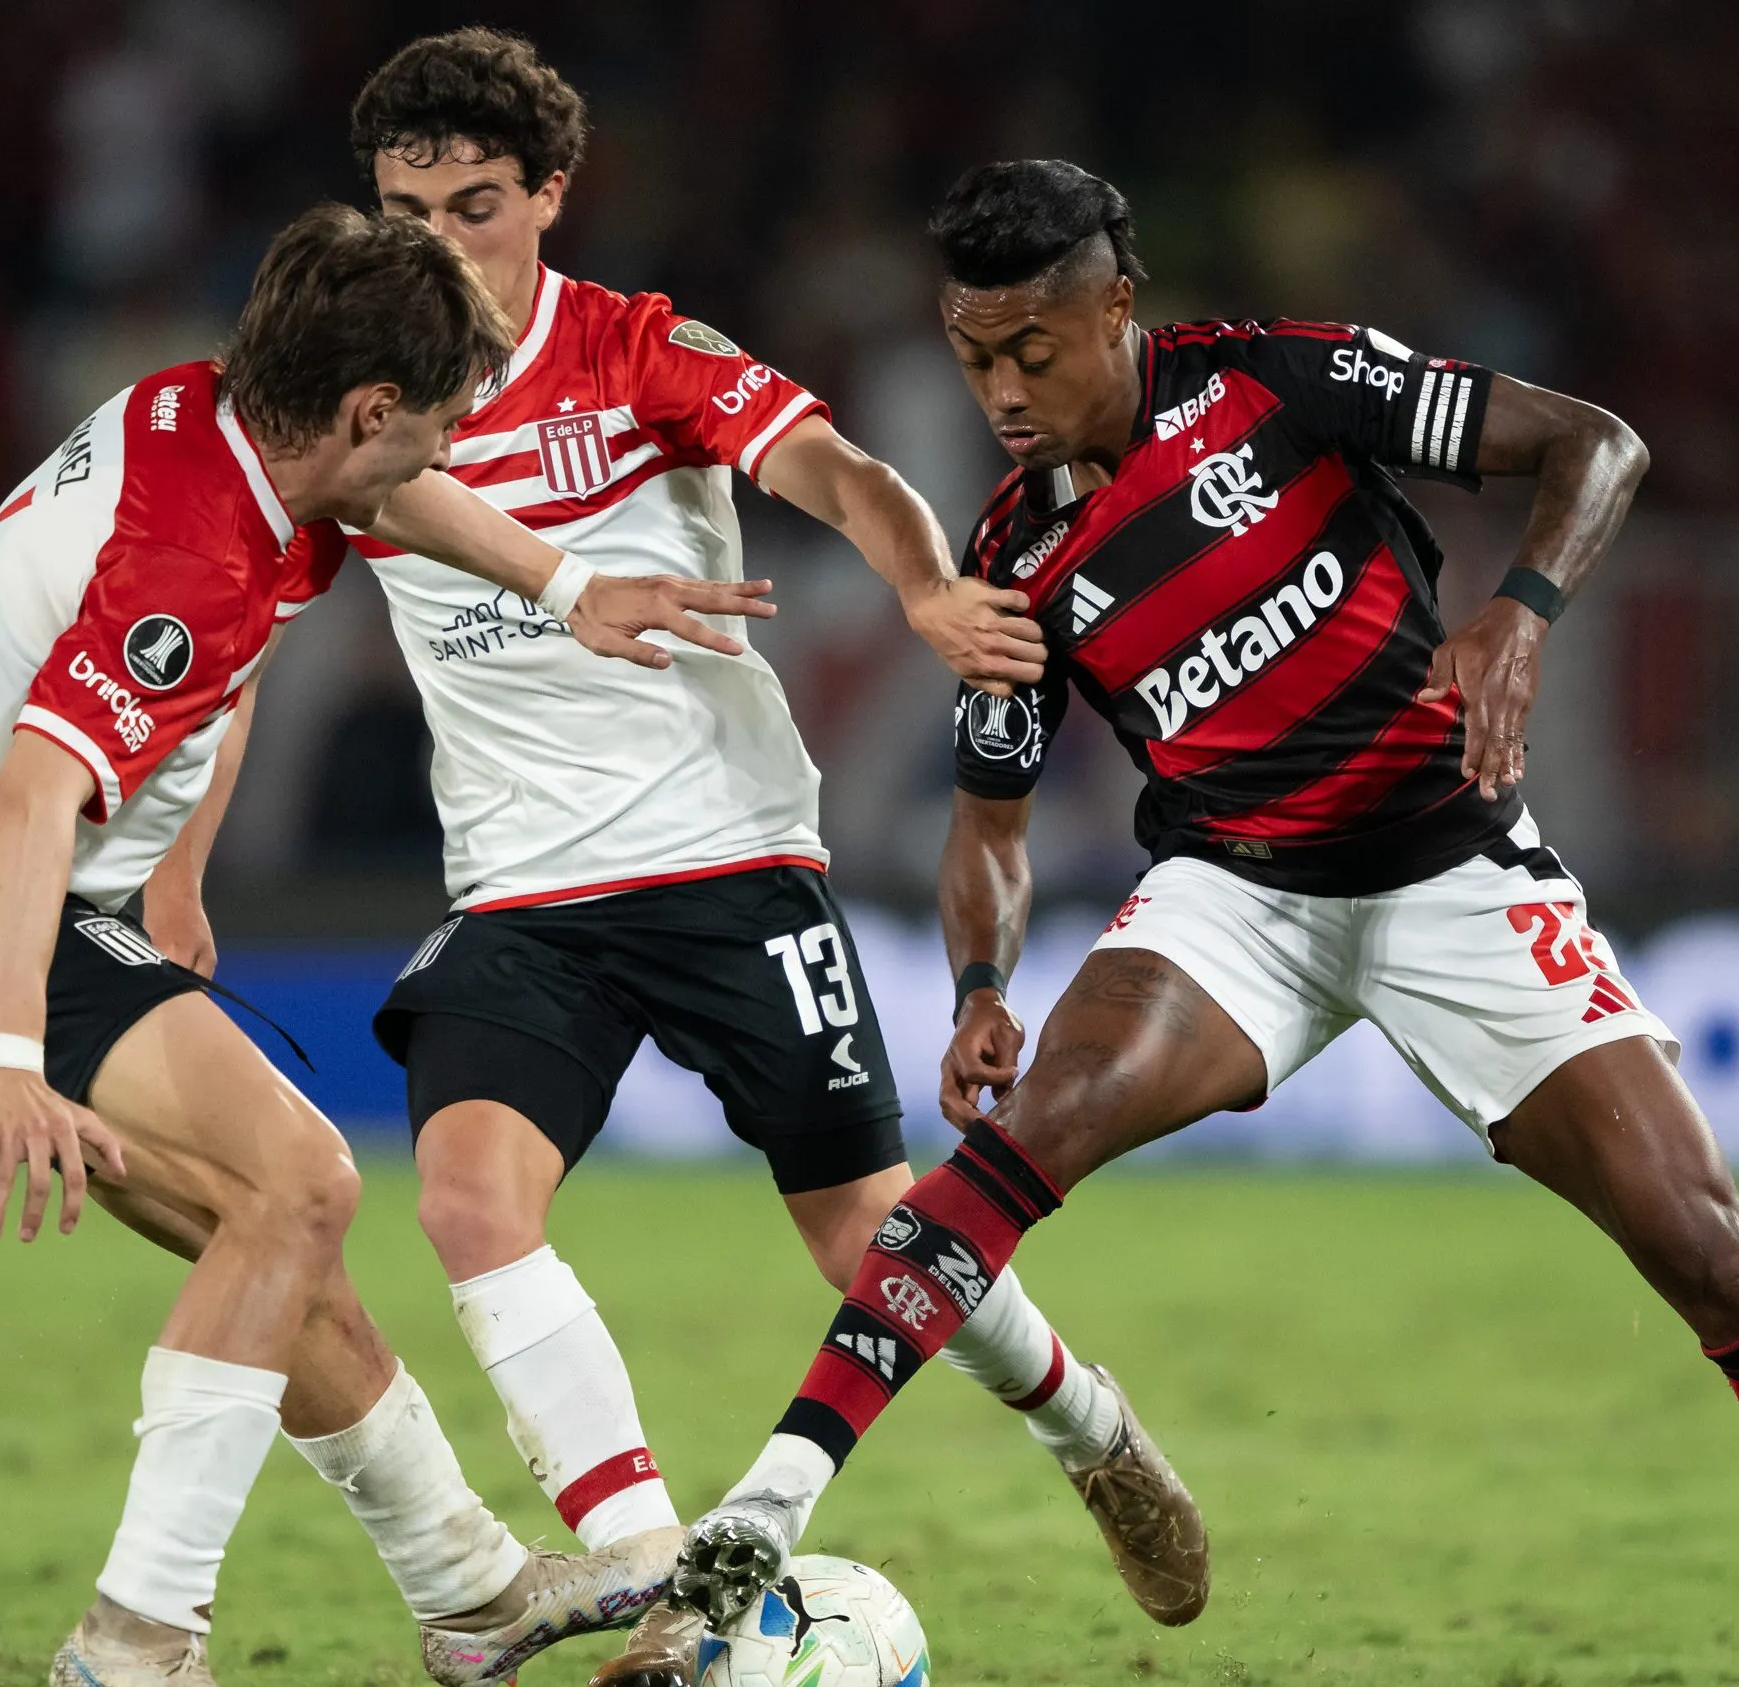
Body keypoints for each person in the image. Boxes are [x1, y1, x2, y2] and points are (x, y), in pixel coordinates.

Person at [633, 161, 1739, 1687]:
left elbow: (1595, 445)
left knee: (1716, 1256)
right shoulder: (1013, 558)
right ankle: (774, 1494)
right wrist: (977, 981)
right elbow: (992, 826)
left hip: (1451, 864)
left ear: (1117, 312)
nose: (1004, 391)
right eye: (974, 358)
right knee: (1028, 1136)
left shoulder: (1280, 380)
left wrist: (1521, 612)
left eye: (1034, 349)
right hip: (1239, 893)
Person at [341, 33, 1210, 1678]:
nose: (437, 242)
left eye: (473, 203)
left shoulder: (635, 348)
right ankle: (652, 1573)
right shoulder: (356, 391)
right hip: (521, 891)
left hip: (726, 856)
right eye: (404, 208)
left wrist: (922, 583)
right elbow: (261, 581)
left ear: (548, 198)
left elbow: (840, 468)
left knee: (868, 1233)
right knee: (468, 1198)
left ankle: (1091, 1427)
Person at [0, 203, 776, 1687]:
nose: (443, 456)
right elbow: (30, 799)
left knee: (274, 1248)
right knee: (304, 1180)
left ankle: (470, 1594)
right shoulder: (190, 558)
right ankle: (137, 1637)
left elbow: (378, 504)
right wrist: (11, 1060)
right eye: (435, 425)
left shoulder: (220, 424)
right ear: (368, 407)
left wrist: (567, 585)